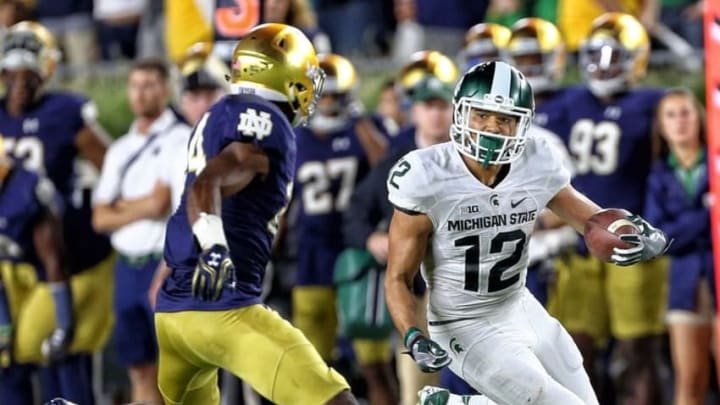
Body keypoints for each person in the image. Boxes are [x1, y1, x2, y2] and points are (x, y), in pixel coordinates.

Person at [383, 61, 670, 405]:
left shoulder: (536, 159)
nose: (492, 128)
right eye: (482, 115)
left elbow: (588, 219)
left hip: (518, 304)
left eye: (505, 119)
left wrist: (630, 231)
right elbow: (398, 276)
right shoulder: (425, 175)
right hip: (461, 322)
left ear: (523, 123)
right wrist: (414, 336)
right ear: (461, 113)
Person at [154, 23, 358, 405]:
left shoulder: (218, 113)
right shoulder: (264, 121)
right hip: (223, 308)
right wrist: (215, 248)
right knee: (335, 400)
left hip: (174, 314)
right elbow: (209, 182)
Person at [545, 13, 668, 404]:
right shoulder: (568, 101)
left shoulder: (652, 103)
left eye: (614, 57)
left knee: (637, 352)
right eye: (596, 55)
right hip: (581, 244)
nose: (602, 65)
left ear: (637, 58)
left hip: (634, 243)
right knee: (577, 354)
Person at [0, 21, 113, 404]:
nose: (19, 81)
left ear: (44, 70)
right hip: (13, 257)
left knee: (55, 355)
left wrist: (104, 204)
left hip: (62, 252)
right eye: (11, 72)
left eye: (27, 72)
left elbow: (113, 166)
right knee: (10, 363)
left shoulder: (64, 110)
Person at [344, 70, 456, 405]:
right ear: (415, 111)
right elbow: (356, 212)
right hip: (418, 288)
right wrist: (370, 238)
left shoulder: (472, 156)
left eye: (442, 106)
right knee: (419, 388)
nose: (436, 114)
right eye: (428, 106)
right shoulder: (397, 160)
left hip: (469, 284)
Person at [291, 52, 392, 404]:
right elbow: (282, 202)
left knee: (375, 363)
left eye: (337, 95)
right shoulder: (294, 137)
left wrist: (359, 119)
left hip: (359, 253)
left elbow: (387, 164)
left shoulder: (364, 130)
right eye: (324, 94)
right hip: (312, 255)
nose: (329, 102)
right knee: (314, 367)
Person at [92, 58, 191, 404]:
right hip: (126, 266)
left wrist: (123, 207)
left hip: (160, 263)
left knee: (175, 368)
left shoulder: (180, 139)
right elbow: (100, 217)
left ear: (166, 90)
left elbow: (163, 204)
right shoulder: (120, 149)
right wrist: (142, 204)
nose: (141, 93)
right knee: (138, 367)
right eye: (135, 85)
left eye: (149, 84)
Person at [644, 88, 713, 405]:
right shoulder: (659, 174)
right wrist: (708, 214)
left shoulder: (714, 162)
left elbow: (673, 231)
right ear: (661, 125)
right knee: (688, 382)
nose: (680, 121)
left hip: (716, 274)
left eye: (685, 112)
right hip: (684, 284)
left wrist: (685, 226)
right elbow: (660, 238)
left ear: (699, 117)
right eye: (671, 115)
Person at [0, 138, 70, 405]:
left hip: (37, 281)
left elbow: (53, 259)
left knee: (32, 350)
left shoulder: (25, 189)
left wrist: (64, 322)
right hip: (7, 286)